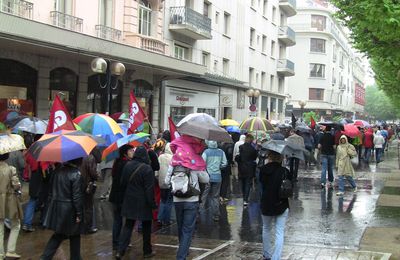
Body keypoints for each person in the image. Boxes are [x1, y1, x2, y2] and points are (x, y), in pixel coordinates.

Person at [165, 135, 209, 260]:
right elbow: (206, 179)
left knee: (180, 227)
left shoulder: (174, 162)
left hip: (177, 200)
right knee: (188, 229)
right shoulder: (195, 161)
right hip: (192, 200)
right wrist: (201, 168)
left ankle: (183, 249)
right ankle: (181, 255)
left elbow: (166, 181)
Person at [116, 146, 157, 259]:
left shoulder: (127, 165)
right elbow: (149, 189)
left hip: (129, 200)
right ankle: (147, 251)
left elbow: (122, 183)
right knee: (146, 227)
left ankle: (120, 251)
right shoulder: (147, 169)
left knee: (128, 225)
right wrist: (152, 204)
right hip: (143, 202)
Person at [40, 158, 84, 260]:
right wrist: (79, 213)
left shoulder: (57, 171)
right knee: (73, 235)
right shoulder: (76, 174)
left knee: (60, 235)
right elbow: (76, 196)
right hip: (70, 210)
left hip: (58, 208)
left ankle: (45, 257)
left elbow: (51, 191)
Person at [259, 151, 292, 260]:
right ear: (281, 158)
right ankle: (276, 257)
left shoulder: (263, 170)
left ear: (269, 156)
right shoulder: (285, 171)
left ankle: (267, 254)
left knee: (266, 228)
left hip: (266, 202)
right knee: (279, 231)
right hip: (281, 203)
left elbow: (261, 185)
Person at [109, 145, 134, 251]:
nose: (132, 152)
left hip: (115, 196)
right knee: (127, 221)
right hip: (123, 196)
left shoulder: (117, 163)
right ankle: (124, 242)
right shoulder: (126, 164)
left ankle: (116, 242)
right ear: (125, 153)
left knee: (117, 220)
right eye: (130, 150)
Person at [0, 153, 23, 259]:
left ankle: (0, 254)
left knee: (0, 228)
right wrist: (19, 187)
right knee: (16, 224)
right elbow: (16, 185)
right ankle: (10, 250)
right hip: (10, 200)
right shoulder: (11, 169)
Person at [201, 140, 227, 221]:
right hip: (218, 177)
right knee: (215, 196)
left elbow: (202, 163)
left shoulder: (206, 152)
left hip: (207, 177)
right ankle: (216, 215)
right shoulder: (221, 152)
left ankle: (199, 213)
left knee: (204, 196)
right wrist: (219, 167)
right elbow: (225, 163)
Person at [79, 149, 99, 234]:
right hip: (87, 185)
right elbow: (93, 173)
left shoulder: (78, 157)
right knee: (88, 206)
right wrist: (97, 176)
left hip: (78, 184)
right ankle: (88, 227)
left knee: (80, 205)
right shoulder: (90, 158)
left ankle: (80, 226)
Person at [236, 134, 258, 206]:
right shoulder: (253, 149)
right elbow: (254, 158)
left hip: (242, 167)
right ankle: (245, 199)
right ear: (251, 140)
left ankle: (243, 196)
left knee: (243, 182)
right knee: (248, 183)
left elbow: (239, 157)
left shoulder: (241, 147)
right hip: (250, 168)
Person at [157, 143, 174, 226]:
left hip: (161, 182)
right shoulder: (173, 158)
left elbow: (157, 169)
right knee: (169, 201)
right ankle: (166, 220)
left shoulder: (160, 157)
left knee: (162, 200)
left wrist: (157, 177)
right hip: (170, 182)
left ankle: (160, 218)